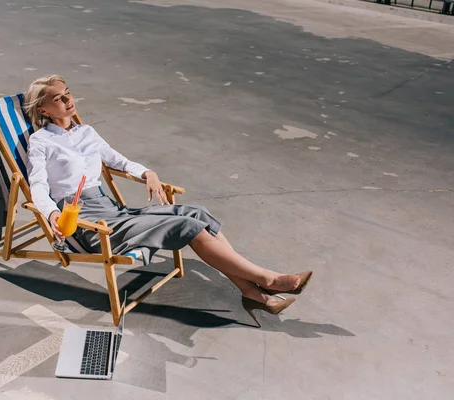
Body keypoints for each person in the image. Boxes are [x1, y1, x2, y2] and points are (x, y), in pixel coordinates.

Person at [23, 74, 312, 322]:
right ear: (44, 110)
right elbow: (36, 186)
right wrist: (51, 214)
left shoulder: (86, 132)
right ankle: (268, 280)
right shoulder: (41, 142)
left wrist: (147, 173)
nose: (68, 100)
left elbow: (120, 162)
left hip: (111, 209)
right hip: (86, 221)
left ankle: (250, 292)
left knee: (196, 212)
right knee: (185, 226)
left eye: (68, 93)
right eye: (58, 98)